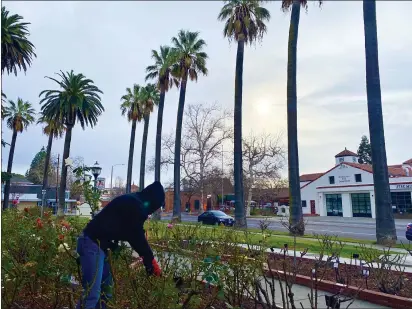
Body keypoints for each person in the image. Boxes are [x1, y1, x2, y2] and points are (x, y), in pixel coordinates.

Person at [76, 181, 165, 309]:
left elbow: (131, 232)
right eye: (157, 206)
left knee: (106, 293)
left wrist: (148, 260)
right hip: (92, 243)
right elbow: (135, 235)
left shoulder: (135, 202)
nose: (155, 210)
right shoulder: (135, 205)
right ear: (154, 201)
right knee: (92, 294)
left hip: (101, 246)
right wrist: (150, 261)